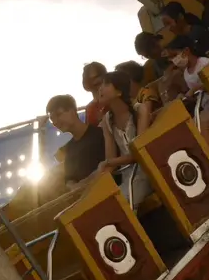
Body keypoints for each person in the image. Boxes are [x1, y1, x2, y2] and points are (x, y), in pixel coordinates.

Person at [169, 31, 209, 176]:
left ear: (186, 51)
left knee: (201, 126)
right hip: (207, 107)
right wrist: (185, 97)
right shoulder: (186, 74)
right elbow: (196, 96)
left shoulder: (204, 63)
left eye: (174, 55)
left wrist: (196, 89)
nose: (174, 60)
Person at [97, 71, 154, 208]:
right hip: (127, 177)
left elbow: (139, 153)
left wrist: (107, 162)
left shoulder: (140, 110)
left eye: (106, 84)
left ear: (119, 92)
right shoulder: (107, 121)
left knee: (117, 206)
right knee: (101, 203)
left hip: (146, 172)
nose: (100, 88)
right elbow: (111, 161)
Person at [46, 94, 105, 190]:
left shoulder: (99, 135)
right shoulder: (69, 149)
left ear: (73, 111)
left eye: (58, 114)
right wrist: (76, 186)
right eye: (52, 120)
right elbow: (69, 181)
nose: (56, 122)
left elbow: (108, 167)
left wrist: (82, 184)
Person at [82, 62, 107, 127]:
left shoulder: (112, 100)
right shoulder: (89, 108)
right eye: (89, 79)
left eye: (96, 77)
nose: (93, 81)